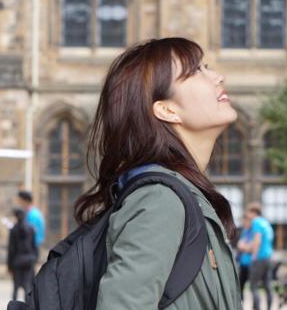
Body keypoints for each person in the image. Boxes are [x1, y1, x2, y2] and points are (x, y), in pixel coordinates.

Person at [73, 37, 242, 309]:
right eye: (197, 70)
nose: (217, 77)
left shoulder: (184, 193)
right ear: (167, 109)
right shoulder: (160, 201)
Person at [246, 202, 274, 310]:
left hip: (259, 258)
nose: (248, 216)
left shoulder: (256, 222)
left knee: (253, 286)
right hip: (268, 258)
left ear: (254, 213)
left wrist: (253, 255)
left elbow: (257, 240)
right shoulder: (266, 223)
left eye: (249, 213)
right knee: (267, 286)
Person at [7, 208, 38, 302]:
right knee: (27, 286)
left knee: (16, 287)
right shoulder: (31, 228)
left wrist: (9, 265)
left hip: (17, 261)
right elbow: (34, 246)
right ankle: (28, 307)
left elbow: (11, 249)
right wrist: (34, 259)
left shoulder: (13, 229)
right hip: (29, 261)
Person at [237, 213, 254, 300]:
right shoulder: (245, 231)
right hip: (243, 263)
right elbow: (240, 245)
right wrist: (245, 247)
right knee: (240, 286)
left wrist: (245, 247)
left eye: (245, 221)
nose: (244, 223)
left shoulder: (254, 231)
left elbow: (252, 247)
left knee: (253, 288)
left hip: (252, 263)